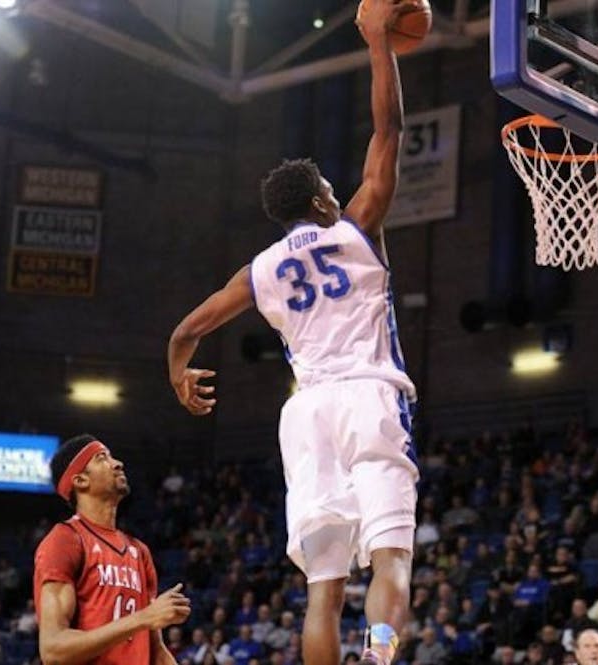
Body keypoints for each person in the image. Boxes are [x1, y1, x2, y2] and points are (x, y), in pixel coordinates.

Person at [166, 2, 421, 665]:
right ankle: (382, 654)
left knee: (322, 591)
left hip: (305, 415)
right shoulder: (356, 224)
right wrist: (376, 43)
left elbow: (188, 329)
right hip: (368, 395)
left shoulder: (258, 271)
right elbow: (389, 127)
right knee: (392, 556)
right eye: (331, 189)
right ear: (319, 201)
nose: (339, 193)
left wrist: (178, 369)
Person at [34, 433, 191, 664]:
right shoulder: (66, 539)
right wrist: (143, 618)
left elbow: (156, 651)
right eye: (102, 458)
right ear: (80, 481)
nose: (118, 463)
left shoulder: (139, 551)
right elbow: (53, 650)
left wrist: (145, 619)